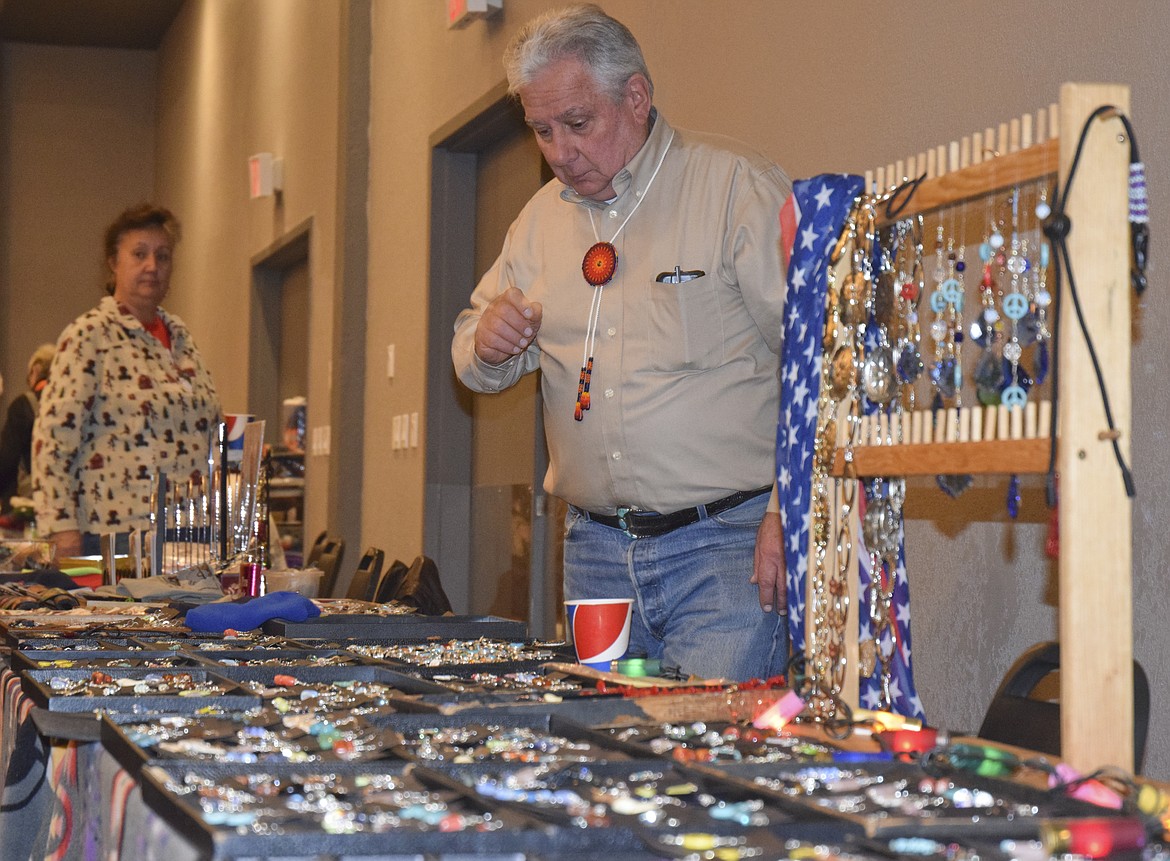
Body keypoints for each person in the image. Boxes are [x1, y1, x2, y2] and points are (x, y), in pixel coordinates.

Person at [451, 5, 790, 681]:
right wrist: (487, 345)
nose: (560, 151)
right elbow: (470, 349)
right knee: (610, 762)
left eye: (578, 124)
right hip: (596, 553)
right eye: (542, 131)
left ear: (636, 96)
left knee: (702, 767)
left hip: (726, 547)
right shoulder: (537, 224)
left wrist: (790, 514)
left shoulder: (732, 190)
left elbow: (817, 361)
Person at [33, 203, 221, 558]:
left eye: (162, 256)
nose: (152, 266)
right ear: (113, 262)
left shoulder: (182, 339)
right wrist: (61, 530)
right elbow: (53, 443)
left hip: (190, 533)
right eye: (139, 254)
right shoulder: (90, 335)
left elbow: (211, 429)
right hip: (116, 536)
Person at [0, 343, 55, 512]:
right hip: (60, 505)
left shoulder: (23, 405)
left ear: (36, 370)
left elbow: (7, 460)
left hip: (26, 505)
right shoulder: (66, 404)